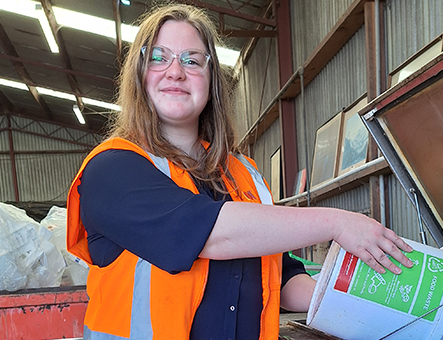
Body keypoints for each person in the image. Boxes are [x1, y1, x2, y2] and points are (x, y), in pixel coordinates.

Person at [66, 3, 413, 340]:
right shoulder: (111, 170)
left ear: (211, 78)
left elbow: (283, 275)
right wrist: (338, 223)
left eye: (192, 60)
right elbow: (206, 232)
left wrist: (367, 302)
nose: (175, 71)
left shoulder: (242, 174)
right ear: (139, 73)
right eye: (159, 57)